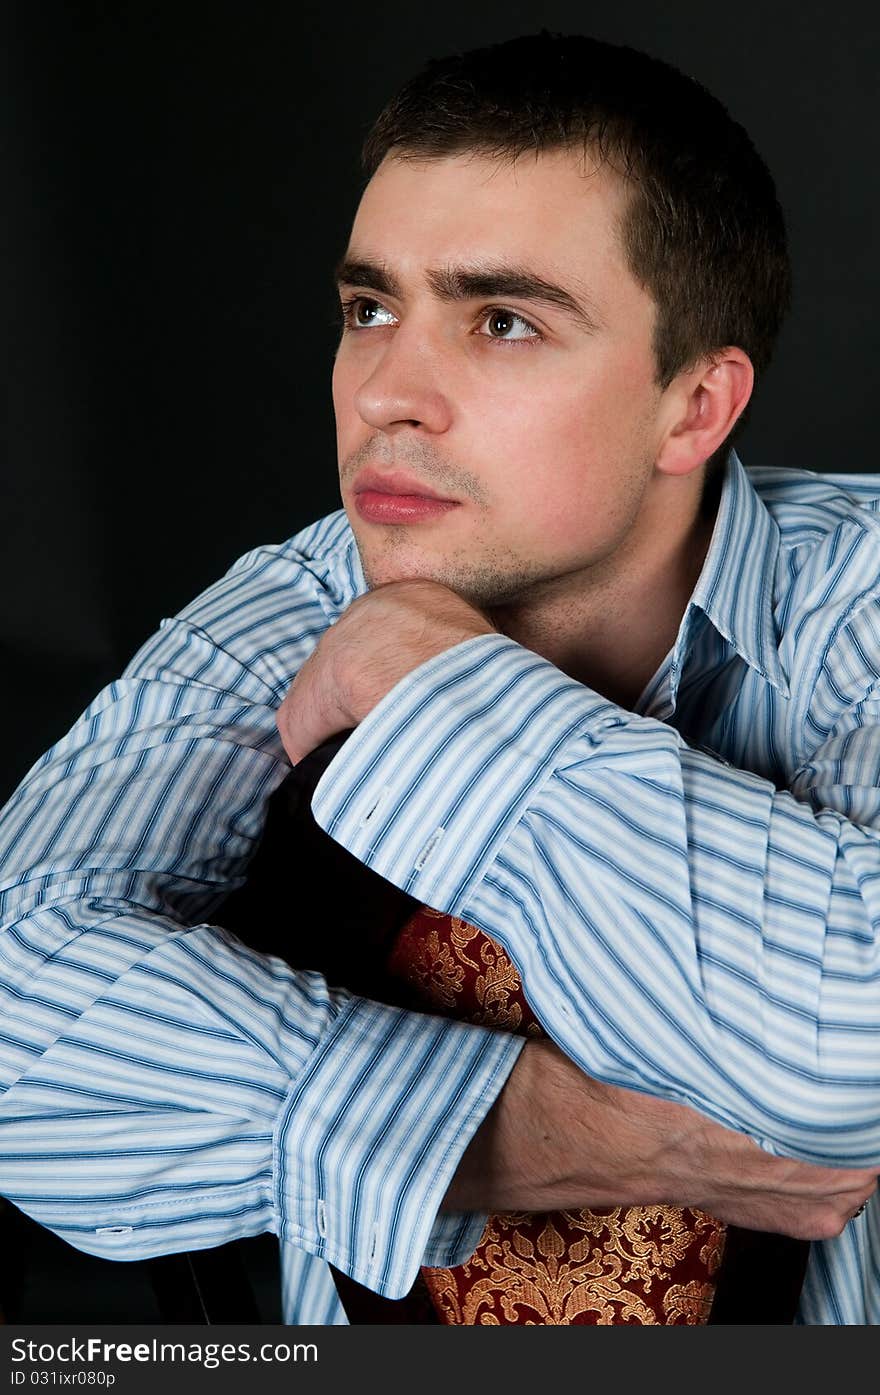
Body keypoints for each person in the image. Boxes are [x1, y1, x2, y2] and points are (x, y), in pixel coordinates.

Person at [0, 32, 877, 1326]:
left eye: (504, 321)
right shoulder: (299, 597)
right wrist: (567, 1136)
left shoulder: (860, 599)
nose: (388, 395)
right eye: (370, 309)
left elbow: (841, 1063)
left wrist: (435, 680)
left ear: (693, 406)